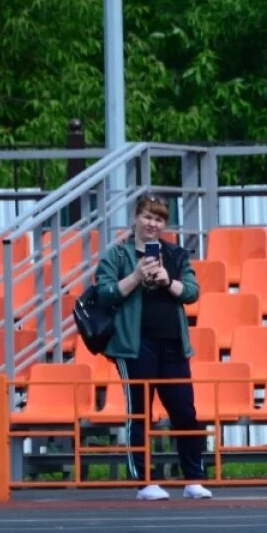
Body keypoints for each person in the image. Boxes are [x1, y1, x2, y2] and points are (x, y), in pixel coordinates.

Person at [95, 193, 210, 501]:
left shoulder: (176, 254)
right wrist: (136, 276)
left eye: (158, 219)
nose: (152, 223)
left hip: (173, 344)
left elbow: (192, 291)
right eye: (147, 216)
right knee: (140, 414)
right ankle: (145, 482)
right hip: (134, 345)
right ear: (136, 217)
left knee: (185, 411)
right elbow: (103, 294)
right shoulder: (117, 255)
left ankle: (193, 478)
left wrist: (166, 280)